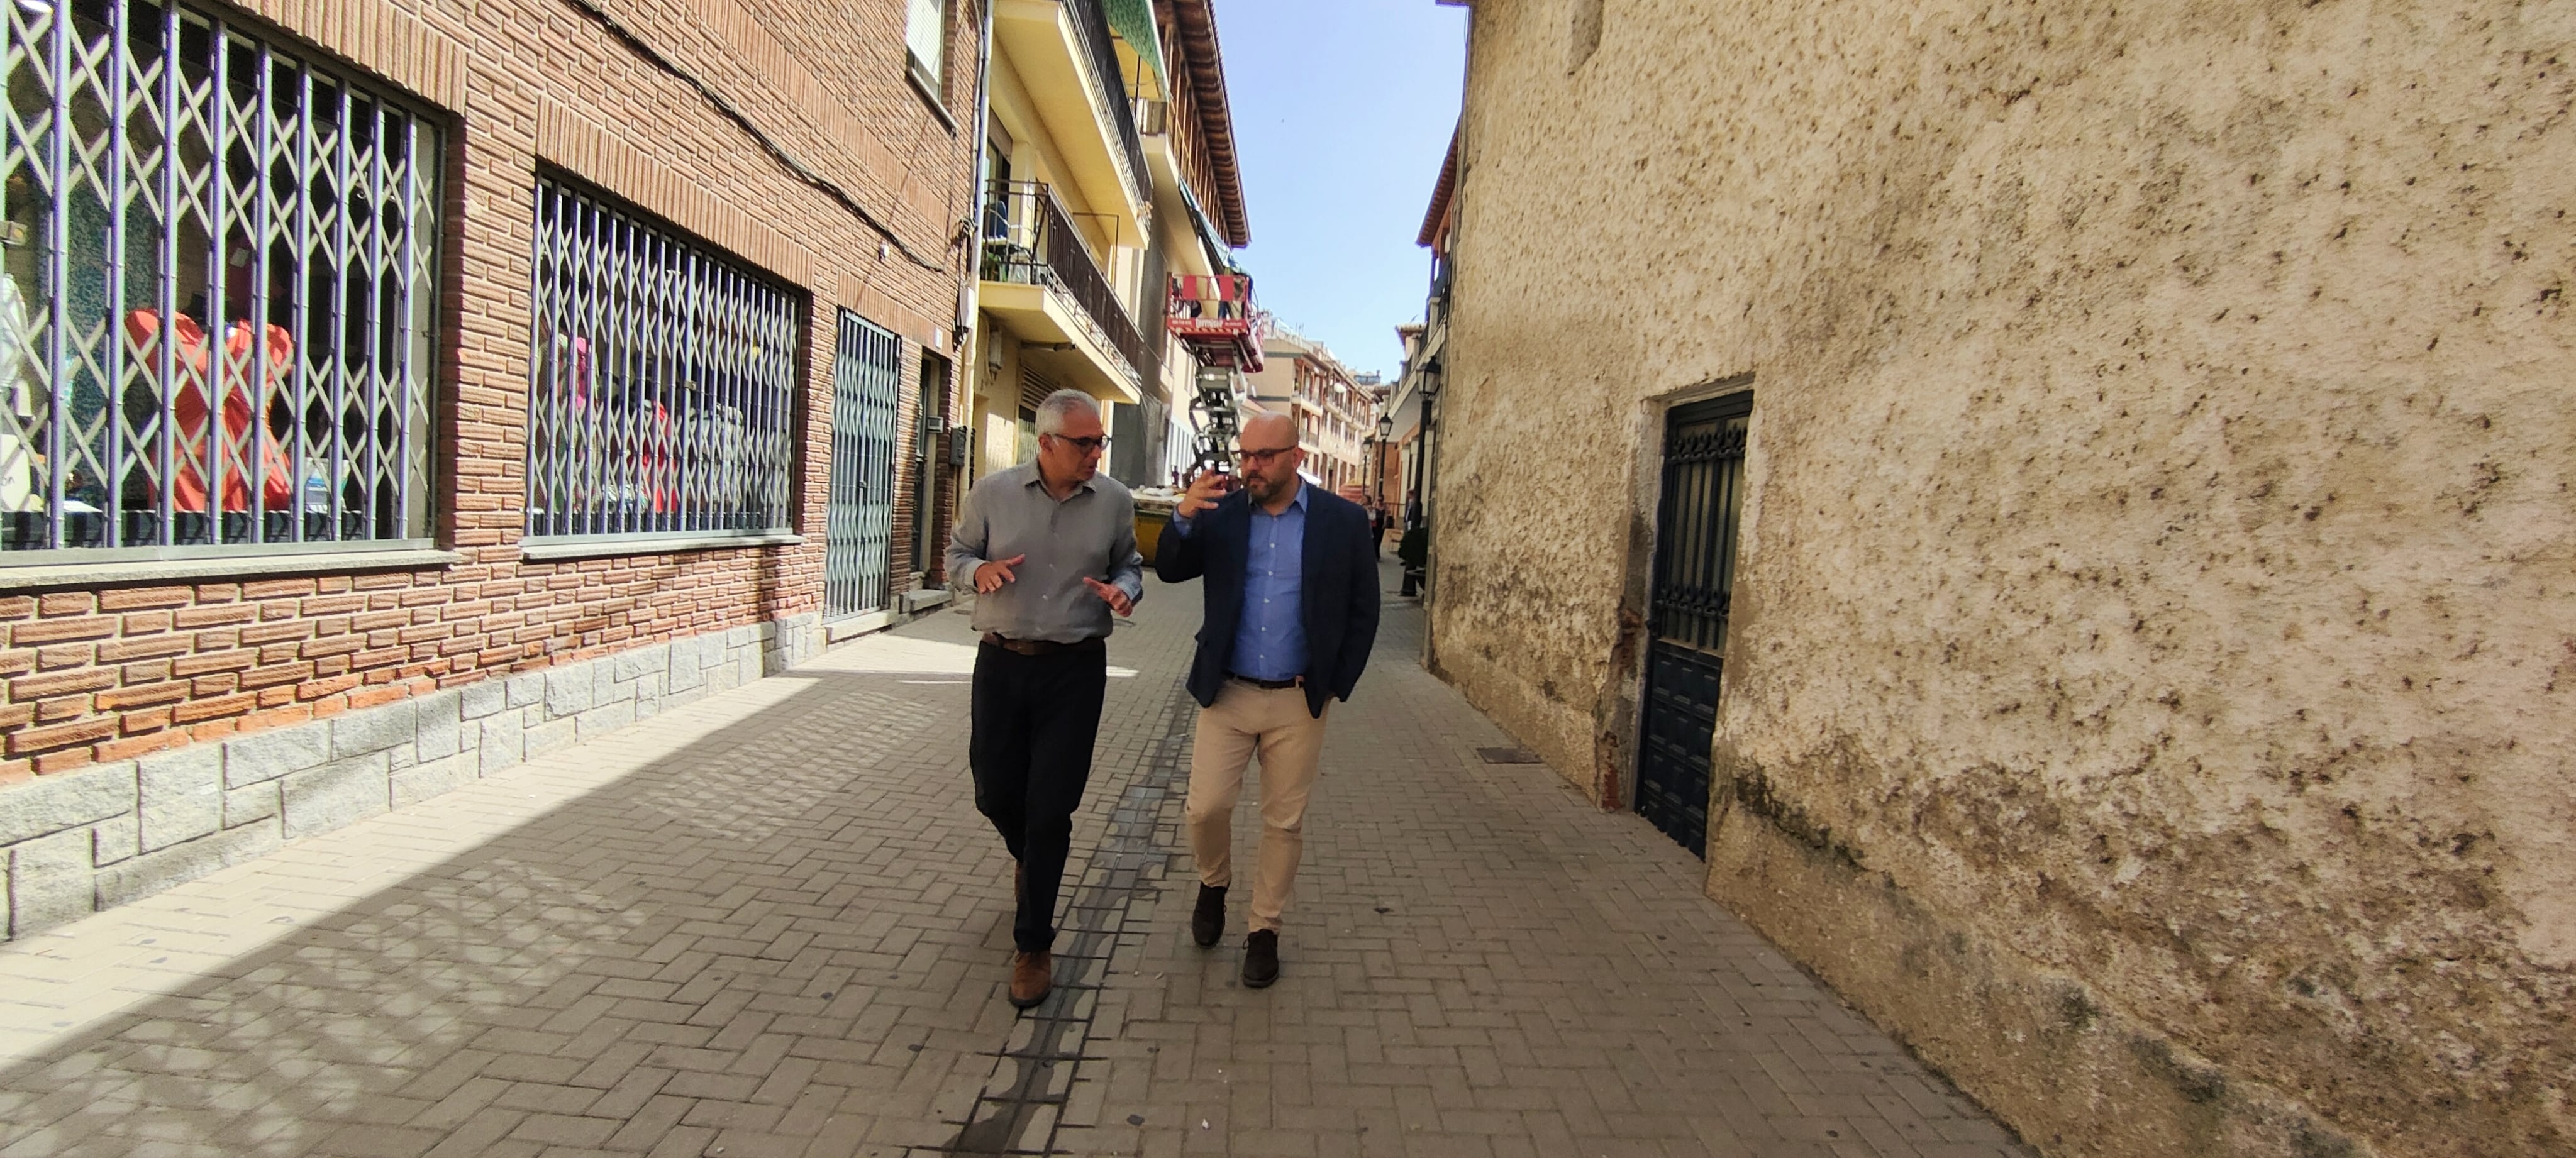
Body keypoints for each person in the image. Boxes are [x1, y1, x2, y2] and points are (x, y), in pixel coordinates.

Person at [1155, 414, 1381, 987]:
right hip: (1227, 691)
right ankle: (1214, 883)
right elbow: (1172, 570)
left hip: (1297, 700)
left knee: (1283, 822)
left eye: (1264, 456)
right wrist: (1182, 514)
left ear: (1296, 457)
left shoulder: (1344, 522)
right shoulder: (1224, 514)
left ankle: (1264, 931)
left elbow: (1364, 608)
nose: (1250, 465)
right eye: (1245, 454)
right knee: (1205, 808)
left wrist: (1335, 681)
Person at [946, 389, 1143, 1009]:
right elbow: (956, 553)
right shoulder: (992, 494)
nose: (1096, 453)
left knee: (1051, 808)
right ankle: (1028, 859)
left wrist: (1123, 591)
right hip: (1002, 663)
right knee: (995, 793)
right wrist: (976, 574)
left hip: (1075, 670)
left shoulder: (1113, 502)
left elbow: (1131, 564)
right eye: (1085, 443)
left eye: (1100, 442)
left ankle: (1033, 943)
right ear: (1047, 443)